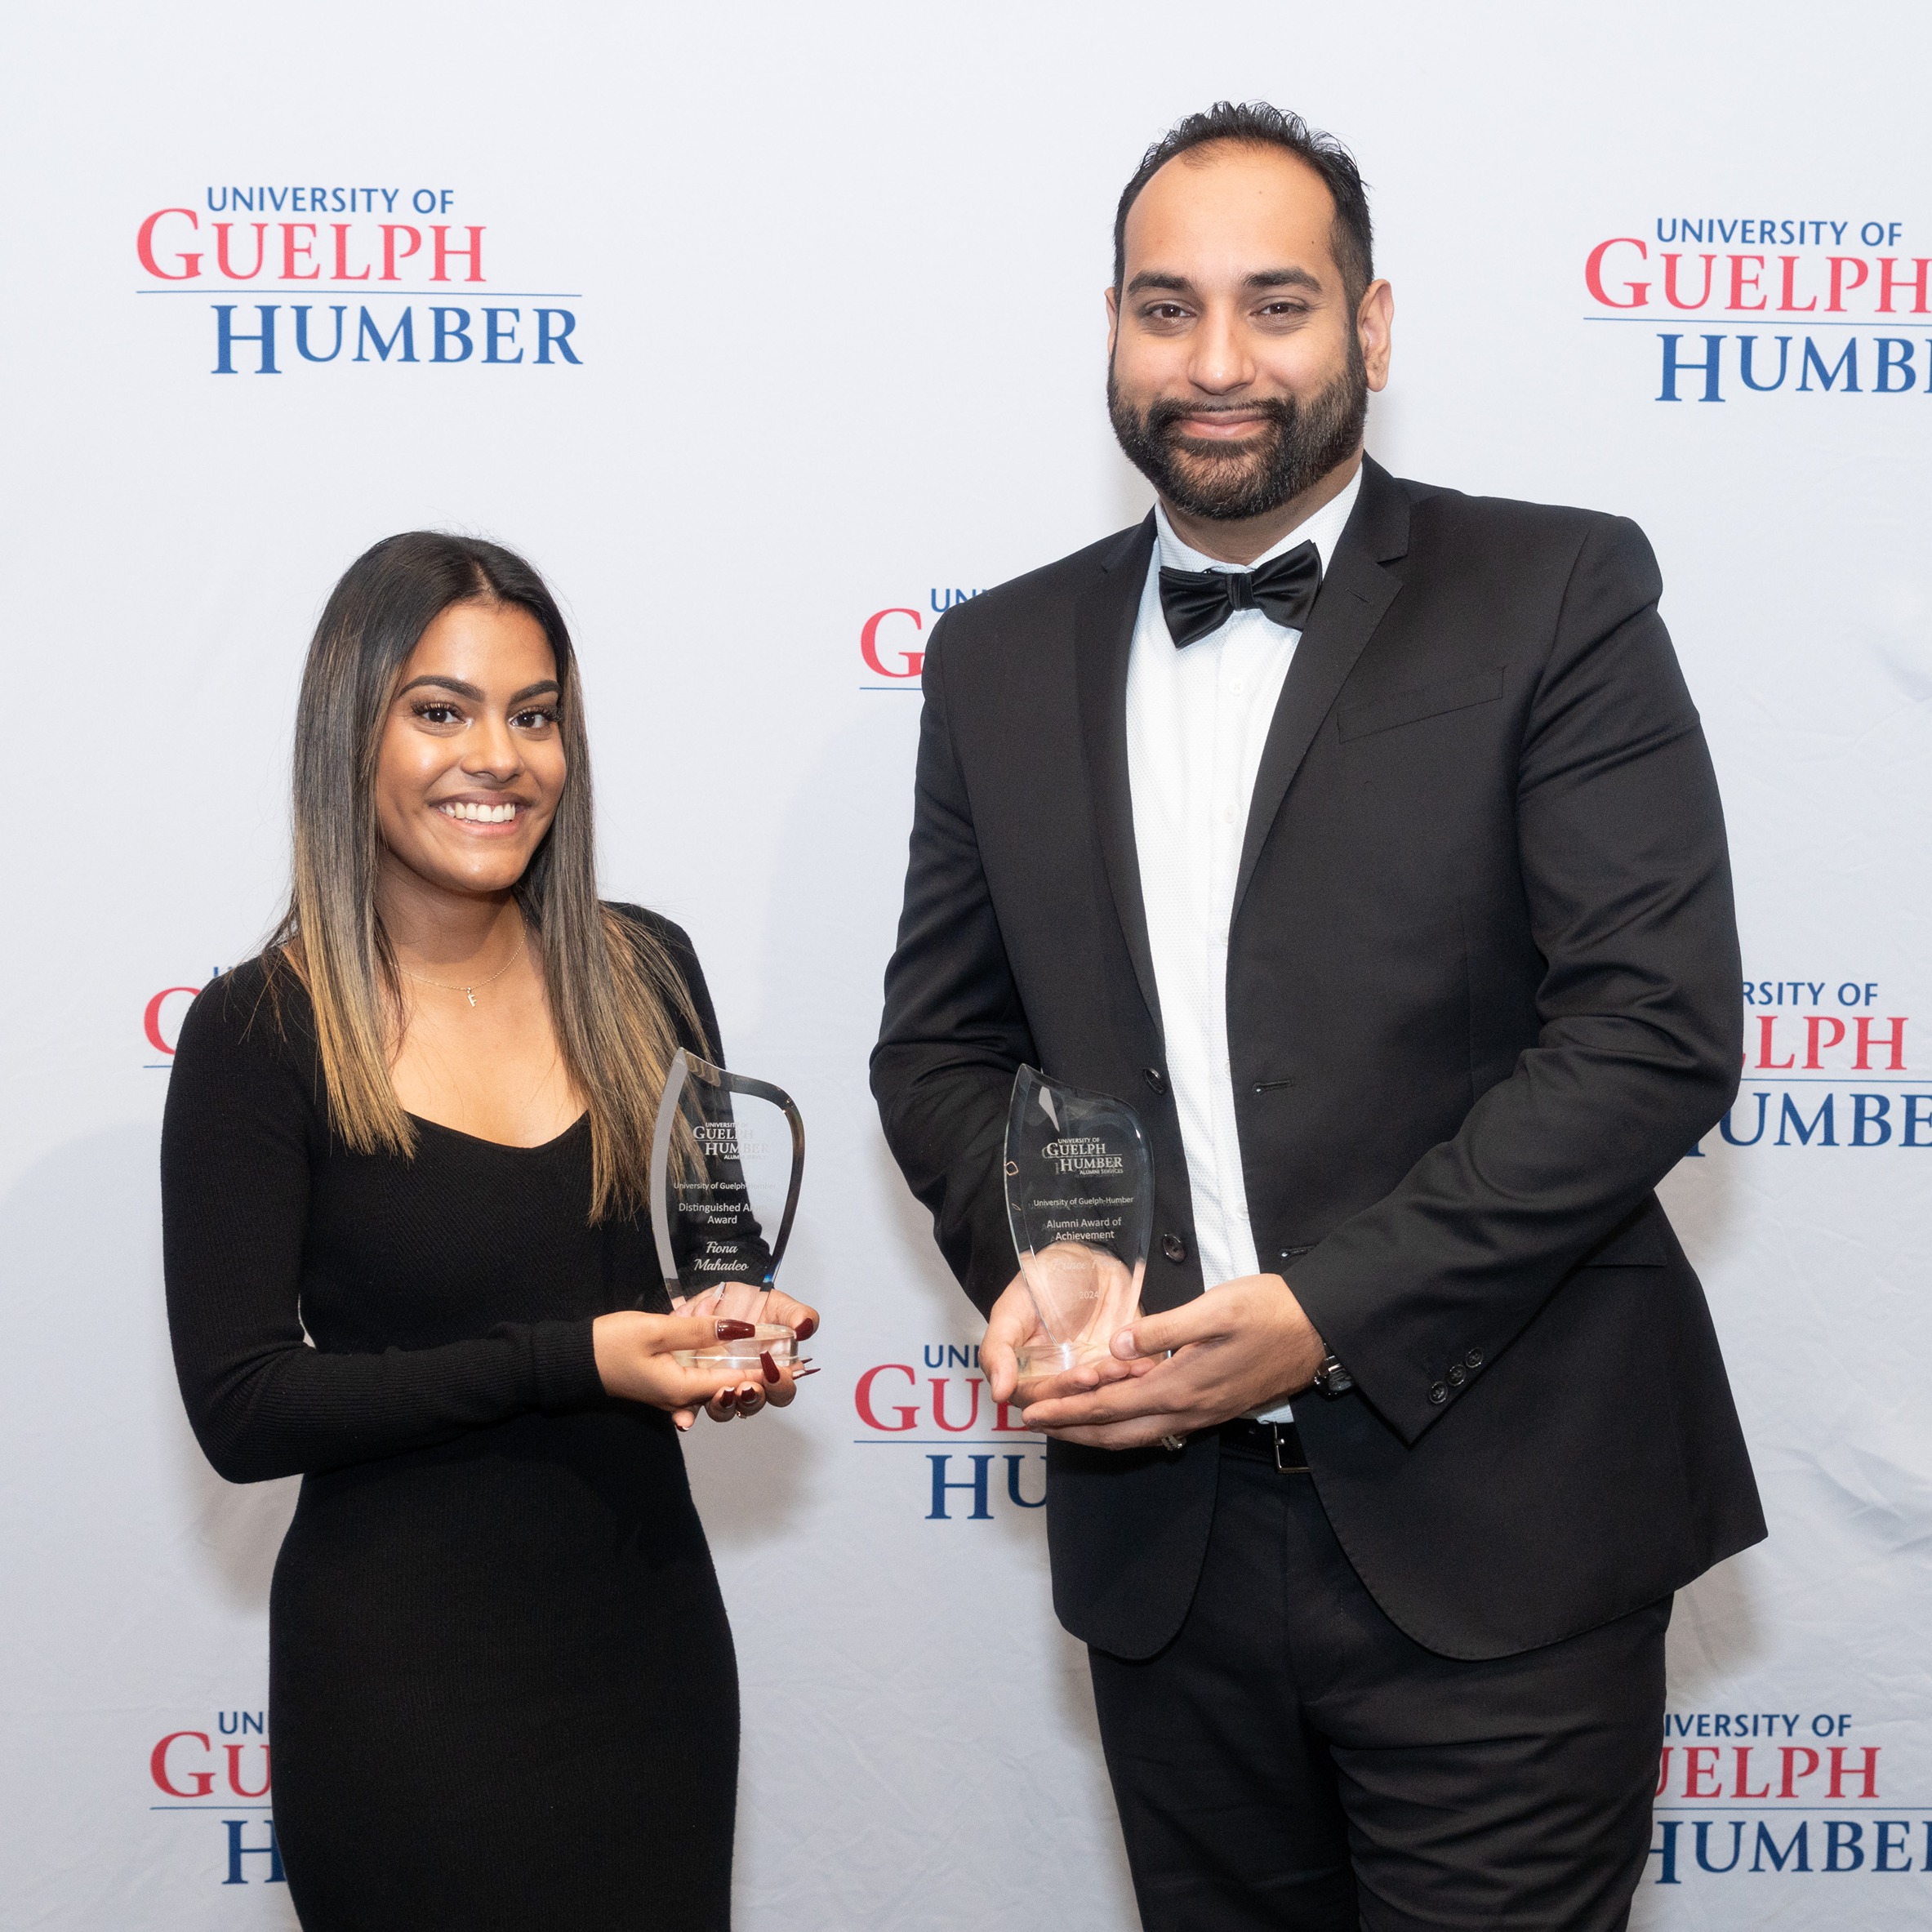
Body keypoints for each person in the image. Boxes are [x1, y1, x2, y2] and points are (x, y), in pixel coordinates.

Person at [871, 102, 1763, 1931]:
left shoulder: (1558, 589)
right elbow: (941, 1049)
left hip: (1502, 1528)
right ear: (1108, 329)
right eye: (1163, 307)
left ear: (1370, 328)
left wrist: (1320, 1315)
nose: (1214, 364)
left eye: (1274, 306)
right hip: (1163, 1561)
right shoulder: (992, 660)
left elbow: (1651, 1026)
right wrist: (1039, 1245)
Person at [162, 532, 818, 1931]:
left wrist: (738, 1329)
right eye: (441, 709)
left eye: (534, 713)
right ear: (355, 731)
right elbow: (241, 1403)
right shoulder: (261, 1030)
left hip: (647, 1655)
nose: (499, 755)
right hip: (402, 1691)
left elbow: (709, 1259)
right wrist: (568, 1359)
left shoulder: (647, 971)